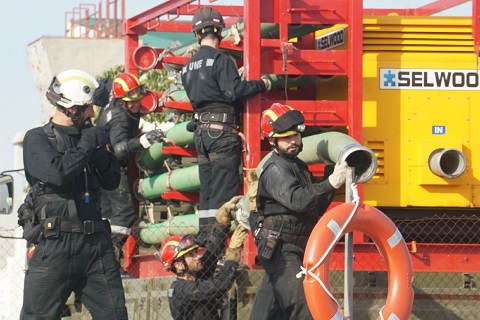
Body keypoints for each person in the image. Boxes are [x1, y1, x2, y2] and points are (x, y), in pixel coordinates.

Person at [20, 69, 128, 319]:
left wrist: (100, 151)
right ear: (70, 106)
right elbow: (59, 173)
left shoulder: (90, 137)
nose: (92, 113)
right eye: (88, 107)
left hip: (96, 245)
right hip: (54, 243)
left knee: (115, 315)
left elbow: (112, 181)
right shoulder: (37, 139)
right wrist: (88, 145)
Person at [249, 103, 349, 320]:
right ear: (272, 139)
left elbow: (314, 206)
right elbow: (297, 200)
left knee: (277, 313)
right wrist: (330, 183)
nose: (293, 141)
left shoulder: (298, 166)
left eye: (295, 135)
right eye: (286, 137)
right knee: (304, 306)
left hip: (299, 247)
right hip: (282, 249)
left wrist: (330, 174)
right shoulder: (275, 169)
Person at [181, 6, 272, 229]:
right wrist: (262, 84)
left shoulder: (186, 68)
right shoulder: (221, 61)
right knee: (224, 195)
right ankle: (216, 249)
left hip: (202, 135)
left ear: (196, 34)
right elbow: (234, 91)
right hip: (221, 134)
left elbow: (196, 104)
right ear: (219, 32)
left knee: (208, 191)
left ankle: (205, 247)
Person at [96, 72, 165, 277]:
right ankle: (110, 265)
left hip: (100, 167)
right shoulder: (119, 119)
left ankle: (105, 264)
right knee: (123, 216)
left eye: (138, 98)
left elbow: (109, 83)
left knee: (109, 217)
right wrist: (143, 141)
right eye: (131, 101)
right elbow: (119, 149)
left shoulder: (112, 102)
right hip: (111, 168)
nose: (136, 104)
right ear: (121, 100)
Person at [158, 195, 248, 320]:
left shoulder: (195, 276)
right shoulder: (183, 290)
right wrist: (232, 256)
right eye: (191, 255)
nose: (198, 256)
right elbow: (219, 286)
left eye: (195, 252)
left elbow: (212, 250)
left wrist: (222, 221)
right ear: (179, 265)